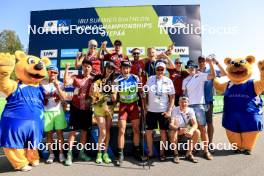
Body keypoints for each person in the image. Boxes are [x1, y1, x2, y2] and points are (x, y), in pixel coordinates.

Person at [113, 60, 145, 166]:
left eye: (127, 68)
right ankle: (120, 154)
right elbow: (114, 96)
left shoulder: (135, 78)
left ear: (130, 69)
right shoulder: (117, 80)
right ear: (121, 69)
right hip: (123, 106)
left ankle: (136, 151)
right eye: (124, 68)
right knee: (121, 130)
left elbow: (141, 92)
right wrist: (113, 95)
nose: (126, 70)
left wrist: (143, 103)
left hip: (134, 106)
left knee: (136, 130)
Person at [182, 59, 216, 160]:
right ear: (187, 69)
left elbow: (213, 75)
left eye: (193, 67)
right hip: (189, 107)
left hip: (199, 106)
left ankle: (206, 151)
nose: (191, 68)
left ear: (196, 67)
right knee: (191, 130)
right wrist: (185, 108)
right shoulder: (185, 80)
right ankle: (191, 151)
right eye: (189, 67)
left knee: (202, 129)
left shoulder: (201, 75)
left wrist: (210, 63)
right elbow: (185, 95)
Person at [63, 60, 94, 166]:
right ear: (82, 68)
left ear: (91, 68)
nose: (86, 68)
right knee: (73, 132)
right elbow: (66, 82)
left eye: (88, 67)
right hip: (75, 108)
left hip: (87, 109)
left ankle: (81, 153)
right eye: (84, 66)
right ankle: (69, 155)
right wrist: (67, 69)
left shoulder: (93, 79)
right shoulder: (76, 77)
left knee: (84, 132)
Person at [145, 61, 175, 161]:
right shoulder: (150, 79)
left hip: (163, 111)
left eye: (162, 69)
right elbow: (146, 94)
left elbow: (172, 97)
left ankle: (162, 153)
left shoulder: (168, 80)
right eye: (158, 69)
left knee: (163, 133)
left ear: (165, 70)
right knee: (148, 132)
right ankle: (150, 152)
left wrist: (169, 110)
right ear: (155, 70)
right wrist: (145, 106)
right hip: (151, 111)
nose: (160, 71)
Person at [197, 55, 226, 152]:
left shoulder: (211, 70)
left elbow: (224, 73)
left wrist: (216, 63)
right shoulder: (195, 71)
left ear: (206, 62)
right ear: (198, 62)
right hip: (197, 103)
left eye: (203, 61)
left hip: (208, 101)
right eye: (200, 61)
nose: (201, 62)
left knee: (209, 123)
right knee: (199, 125)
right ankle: (198, 144)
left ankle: (210, 143)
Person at [90, 62, 117, 164]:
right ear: (105, 68)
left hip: (109, 109)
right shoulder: (98, 79)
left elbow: (114, 99)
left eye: (112, 69)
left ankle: (105, 153)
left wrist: (111, 94)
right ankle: (99, 153)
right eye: (109, 68)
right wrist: (102, 99)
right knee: (103, 131)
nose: (110, 70)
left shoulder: (114, 82)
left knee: (108, 132)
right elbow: (92, 94)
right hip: (99, 108)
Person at [41, 66, 67, 164]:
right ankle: (51, 154)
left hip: (58, 111)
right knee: (49, 134)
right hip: (46, 111)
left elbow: (64, 98)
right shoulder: (42, 83)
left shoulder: (60, 84)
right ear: (48, 72)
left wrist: (57, 87)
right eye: (51, 72)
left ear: (57, 74)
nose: (53, 74)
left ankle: (61, 154)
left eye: (55, 72)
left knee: (60, 133)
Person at [169, 96, 200, 164]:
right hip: (177, 129)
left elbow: (195, 124)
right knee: (172, 132)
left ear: (188, 103)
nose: (183, 104)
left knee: (197, 132)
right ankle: (176, 154)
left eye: (185, 102)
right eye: (181, 102)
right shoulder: (175, 109)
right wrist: (179, 129)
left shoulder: (190, 110)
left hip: (186, 129)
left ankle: (188, 154)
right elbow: (171, 125)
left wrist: (191, 131)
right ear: (178, 103)